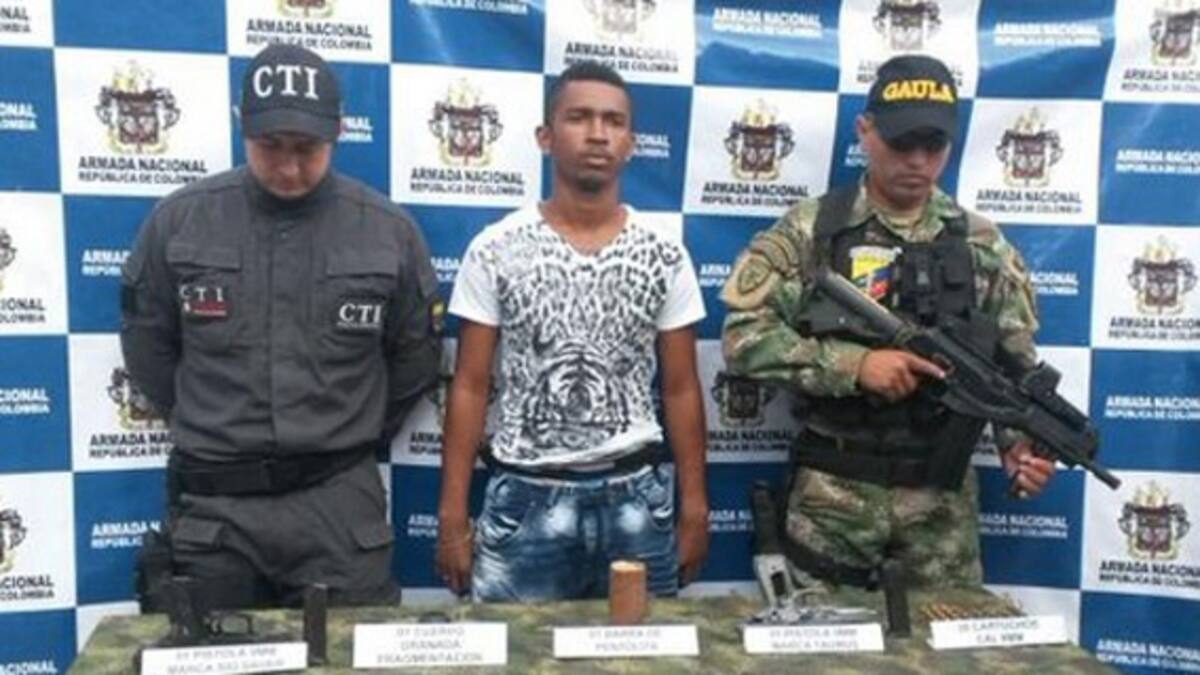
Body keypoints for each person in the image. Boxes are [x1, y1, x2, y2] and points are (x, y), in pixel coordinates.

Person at [121, 43, 441, 609]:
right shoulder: (180, 221)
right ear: (241, 124)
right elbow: (150, 349)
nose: (289, 167)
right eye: (271, 146)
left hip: (338, 508)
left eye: (307, 148)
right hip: (215, 510)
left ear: (339, 131)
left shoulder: (388, 232)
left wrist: (350, 427)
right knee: (207, 653)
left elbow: (413, 360)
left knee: (350, 654)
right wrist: (215, 423)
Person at [720, 54, 1055, 589]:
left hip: (942, 512)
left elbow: (1012, 367)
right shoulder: (813, 231)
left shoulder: (982, 244)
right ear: (865, 130)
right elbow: (743, 338)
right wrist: (853, 365)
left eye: (934, 145)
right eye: (902, 143)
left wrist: (1020, 447)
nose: (917, 161)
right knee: (820, 638)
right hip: (832, 500)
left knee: (944, 641)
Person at [435, 61, 710, 602]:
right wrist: (451, 516)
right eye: (579, 118)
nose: (597, 134)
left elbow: (681, 388)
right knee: (517, 650)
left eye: (613, 121)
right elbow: (469, 385)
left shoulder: (664, 252)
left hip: (637, 501)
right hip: (524, 501)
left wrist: (696, 507)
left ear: (631, 143)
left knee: (641, 650)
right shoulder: (495, 249)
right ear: (546, 137)